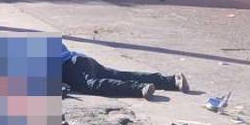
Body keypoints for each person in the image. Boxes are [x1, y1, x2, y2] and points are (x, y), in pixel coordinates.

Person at [60, 40, 189, 99]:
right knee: (119, 75)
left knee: (92, 85)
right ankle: (172, 81)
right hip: (81, 59)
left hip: (71, 66)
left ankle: (139, 89)